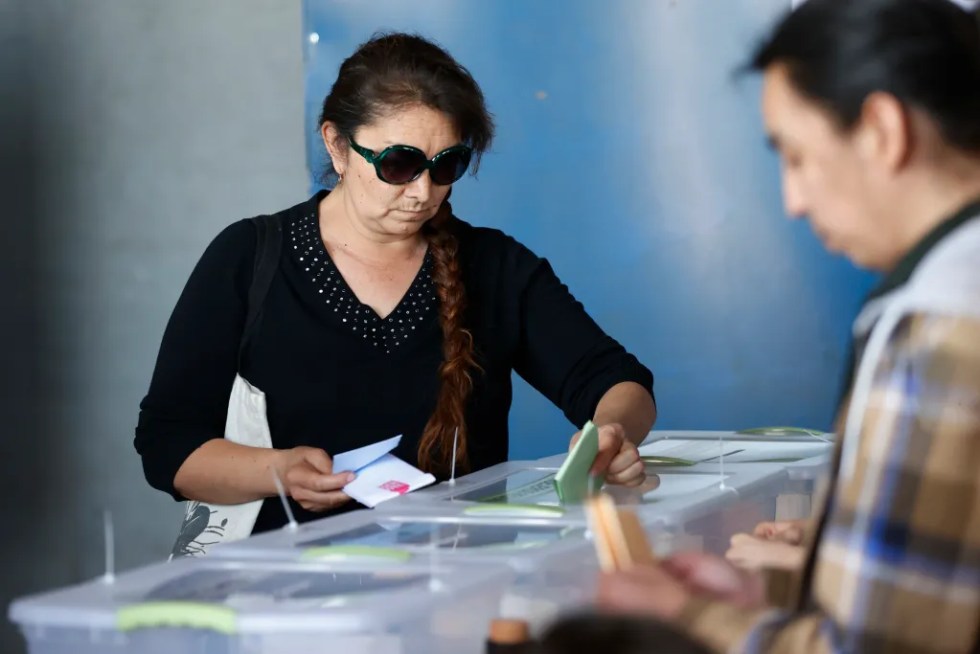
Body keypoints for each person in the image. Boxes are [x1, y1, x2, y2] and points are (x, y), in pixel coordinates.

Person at [135, 33, 656, 534]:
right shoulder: (250, 259)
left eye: (447, 164)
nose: (423, 191)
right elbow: (168, 443)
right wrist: (277, 471)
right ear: (337, 145)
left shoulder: (495, 266)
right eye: (399, 163)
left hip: (455, 590)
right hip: (284, 592)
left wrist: (611, 435)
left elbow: (614, 380)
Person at [596, 1, 980, 652]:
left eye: (798, 156)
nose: (793, 201)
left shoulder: (939, 329)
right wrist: (801, 578)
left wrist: (687, 616)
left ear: (883, 129)